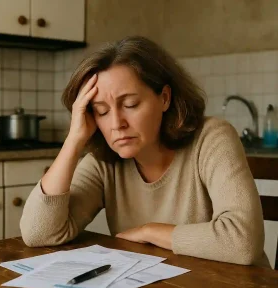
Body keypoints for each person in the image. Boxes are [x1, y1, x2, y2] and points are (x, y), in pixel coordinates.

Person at [20, 36, 268, 267]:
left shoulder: (212, 138)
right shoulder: (104, 161)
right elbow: (38, 233)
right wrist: (74, 140)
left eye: (130, 104)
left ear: (164, 98)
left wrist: (151, 231)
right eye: (102, 111)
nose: (117, 123)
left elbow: (243, 242)